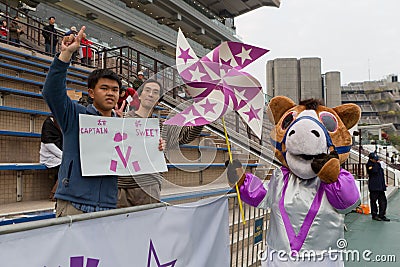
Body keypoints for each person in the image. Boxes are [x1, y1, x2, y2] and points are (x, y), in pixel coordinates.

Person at [42, 26, 122, 217]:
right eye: (104, 88)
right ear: (91, 93)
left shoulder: (123, 126)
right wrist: (65, 55)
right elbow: (52, 92)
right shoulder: (75, 115)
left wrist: (153, 147)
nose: (111, 93)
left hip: (109, 205)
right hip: (74, 204)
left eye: (115, 89)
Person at [117, 79, 203, 207]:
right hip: (121, 186)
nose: (151, 94)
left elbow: (186, 136)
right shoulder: (121, 119)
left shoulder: (161, 126)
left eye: (156, 92)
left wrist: (203, 116)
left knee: (148, 224)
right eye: (147, 90)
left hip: (149, 186)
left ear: (158, 100)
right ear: (139, 95)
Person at [39, 116, 63, 201]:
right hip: (49, 156)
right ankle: (54, 192)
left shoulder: (62, 122)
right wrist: (64, 156)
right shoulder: (48, 124)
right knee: (67, 166)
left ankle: (56, 192)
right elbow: (49, 144)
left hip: (60, 155)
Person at [366, 152, 390, 221]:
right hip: (374, 187)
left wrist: (384, 183)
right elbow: (373, 171)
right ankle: (374, 215)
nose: (376, 160)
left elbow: (381, 175)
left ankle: (382, 215)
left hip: (380, 186)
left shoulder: (378, 164)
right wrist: (377, 164)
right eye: (375, 159)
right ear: (371, 159)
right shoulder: (369, 165)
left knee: (383, 201)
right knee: (373, 201)